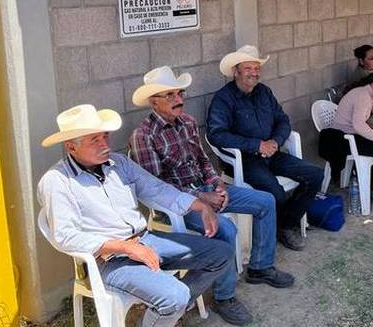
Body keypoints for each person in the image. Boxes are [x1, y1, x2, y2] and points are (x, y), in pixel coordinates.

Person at [37, 104, 235, 327]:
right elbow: (65, 236)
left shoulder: (119, 163)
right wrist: (125, 248)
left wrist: (200, 206)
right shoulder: (57, 181)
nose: (105, 144)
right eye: (94, 140)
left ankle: (167, 311)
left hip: (146, 240)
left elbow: (156, 189)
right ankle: (170, 307)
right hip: (107, 259)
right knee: (175, 296)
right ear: (71, 146)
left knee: (222, 253)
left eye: (105, 136)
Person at [129, 67, 296, 324]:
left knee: (266, 200)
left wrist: (217, 183)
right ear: (154, 102)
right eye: (170, 95)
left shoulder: (187, 122)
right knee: (225, 229)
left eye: (179, 93)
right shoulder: (144, 136)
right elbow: (157, 187)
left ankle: (261, 267)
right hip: (178, 205)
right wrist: (199, 198)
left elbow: (203, 160)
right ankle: (224, 297)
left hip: (207, 190)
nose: (178, 99)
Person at [207, 45, 324, 252]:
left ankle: (285, 224)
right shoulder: (223, 98)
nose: (254, 73)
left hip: (272, 153)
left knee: (315, 174)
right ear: (235, 71)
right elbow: (217, 134)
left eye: (257, 68)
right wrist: (256, 145)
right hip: (245, 160)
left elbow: (283, 120)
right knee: (274, 192)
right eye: (248, 68)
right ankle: (280, 227)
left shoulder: (264, 92)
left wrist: (276, 142)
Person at [324, 70, 373, 209]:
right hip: (343, 139)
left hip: (352, 135)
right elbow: (359, 125)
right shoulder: (363, 96)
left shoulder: (369, 94)